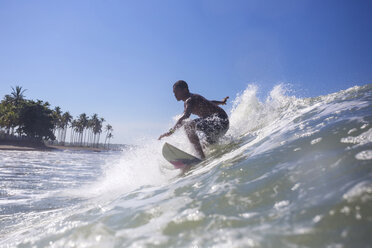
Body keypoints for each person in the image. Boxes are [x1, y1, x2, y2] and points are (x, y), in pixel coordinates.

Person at [158, 80, 229, 159]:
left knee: (188, 126)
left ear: (185, 90)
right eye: (174, 93)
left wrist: (170, 132)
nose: (175, 95)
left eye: (176, 92)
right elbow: (210, 102)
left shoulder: (190, 100)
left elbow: (185, 117)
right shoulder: (193, 99)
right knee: (204, 145)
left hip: (220, 121)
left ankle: (202, 158)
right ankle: (203, 157)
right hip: (220, 125)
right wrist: (221, 102)